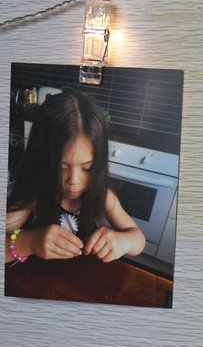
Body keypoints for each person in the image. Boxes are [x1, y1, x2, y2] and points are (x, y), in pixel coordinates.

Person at [5, 91, 145, 264]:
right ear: (42, 161)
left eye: (87, 168)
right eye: (61, 167)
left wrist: (124, 241)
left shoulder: (102, 195)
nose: (74, 181)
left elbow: (138, 240)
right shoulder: (36, 192)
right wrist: (29, 242)